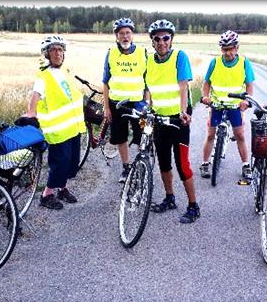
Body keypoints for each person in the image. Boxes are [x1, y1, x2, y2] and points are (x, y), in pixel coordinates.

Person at [145, 19, 200, 224]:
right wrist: (146, 106)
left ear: (171, 39)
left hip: (178, 118)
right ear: (152, 41)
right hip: (158, 118)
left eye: (165, 38)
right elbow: (148, 89)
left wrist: (183, 111)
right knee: (164, 161)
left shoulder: (179, 56)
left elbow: (183, 86)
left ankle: (193, 206)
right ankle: (169, 198)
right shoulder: (149, 61)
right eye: (157, 38)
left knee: (182, 164)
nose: (161, 42)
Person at [26, 35, 86, 210]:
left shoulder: (65, 71)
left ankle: (62, 189)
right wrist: (31, 114)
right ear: (47, 54)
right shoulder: (43, 77)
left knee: (71, 162)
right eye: (53, 50)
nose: (58, 53)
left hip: (73, 127)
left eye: (60, 49)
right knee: (59, 163)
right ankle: (46, 195)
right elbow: (35, 97)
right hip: (57, 130)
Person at [199, 30, 255, 181]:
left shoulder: (244, 63)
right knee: (210, 134)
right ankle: (205, 163)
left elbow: (249, 85)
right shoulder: (215, 62)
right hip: (216, 104)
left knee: (240, 135)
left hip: (235, 107)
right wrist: (205, 97)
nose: (227, 52)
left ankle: (246, 165)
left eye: (230, 48)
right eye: (224, 49)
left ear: (237, 48)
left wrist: (247, 101)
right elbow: (206, 83)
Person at [102, 17, 148, 183]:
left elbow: (148, 81)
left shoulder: (143, 53)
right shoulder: (111, 53)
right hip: (117, 105)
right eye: (121, 33)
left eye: (128, 33)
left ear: (133, 35)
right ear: (116, 36)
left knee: (144, 134)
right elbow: (105, 82)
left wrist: (147, 104)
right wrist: (106, 108)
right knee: (120, 138)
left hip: (139, 105)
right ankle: (126, 166)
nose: (125, 36)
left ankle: (143, 164)